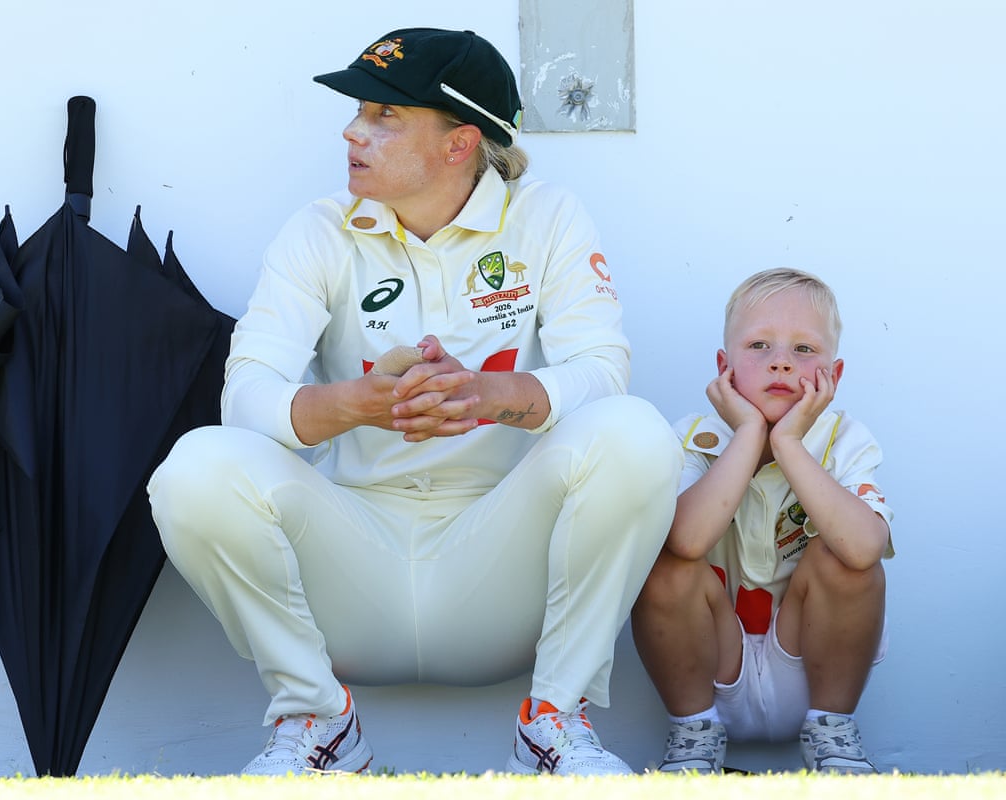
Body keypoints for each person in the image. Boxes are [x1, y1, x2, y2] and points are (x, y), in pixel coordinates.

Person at [147, 27, 682, 776]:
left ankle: (553, 723)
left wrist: (490, 395)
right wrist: (359, 406)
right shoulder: (318, 230)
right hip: (351, 577)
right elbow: (246, 398)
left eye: (383, 116)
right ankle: (320, 725)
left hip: (501, 577)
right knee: (195, 466)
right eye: (360, 112)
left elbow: (602, 371)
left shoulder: (548, 217)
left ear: (459, 144)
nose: (351, 131)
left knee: (636, 433)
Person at [631, 268, 894, 774]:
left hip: (810, 672)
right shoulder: (691, 438)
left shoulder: (846, 440)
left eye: (804, 350)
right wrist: (750, 432)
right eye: (758, 346)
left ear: (833, 377)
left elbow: (864, 550)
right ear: (723, 368)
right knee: (661, 557)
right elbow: (685, 541)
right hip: (709, 669)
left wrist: (789, 443)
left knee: (844, 560)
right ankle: (692, 742)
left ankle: (833, 738)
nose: (780, 362)